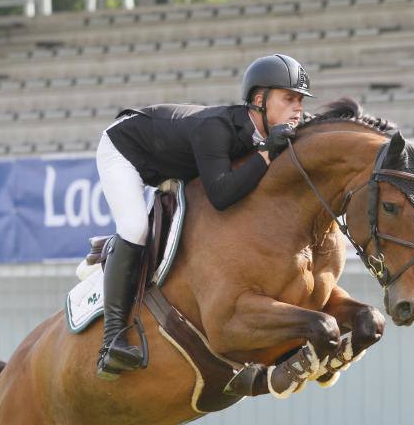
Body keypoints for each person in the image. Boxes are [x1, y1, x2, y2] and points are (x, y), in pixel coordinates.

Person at [94, 54, 313, 380]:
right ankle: (111, 340)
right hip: (124, 149)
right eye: (289, 98)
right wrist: (268, 152)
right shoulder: (216, 129)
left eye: (300, 100)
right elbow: (222, 194)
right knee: (135, 227)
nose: (298, 108)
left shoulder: (264, 128)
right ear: (259, 100)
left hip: (167, 158)